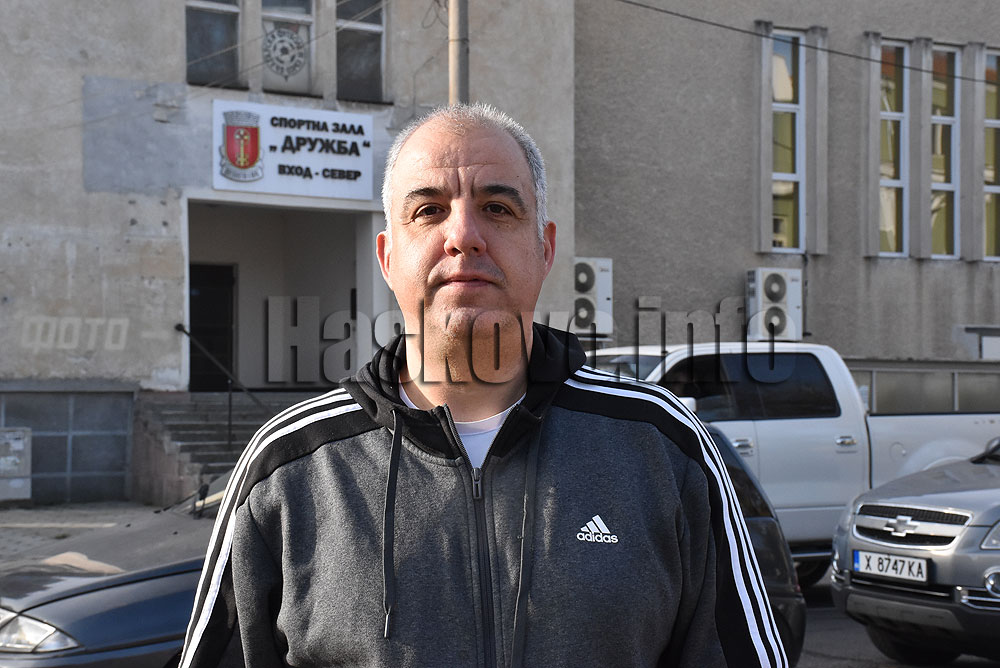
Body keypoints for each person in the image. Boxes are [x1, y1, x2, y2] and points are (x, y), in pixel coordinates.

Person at [179, 103, 787, 668]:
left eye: (498, 208)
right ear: (387, 258)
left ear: (544, 249)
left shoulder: (662, 446)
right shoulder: (288, 468)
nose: (463, 235)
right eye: (428, 210)